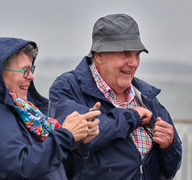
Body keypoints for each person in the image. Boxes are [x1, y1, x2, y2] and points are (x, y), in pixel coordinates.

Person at [48, 14, 182, 180]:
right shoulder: (68, 87)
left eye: (137, 54)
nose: (134, 63)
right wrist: (132, 116)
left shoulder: (146, 96)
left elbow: (169, 170)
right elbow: (84, 137)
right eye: (125, 54)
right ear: (98, 55)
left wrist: (169, 146)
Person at [0, 37, 101, 180]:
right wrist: (66, 135)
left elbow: (60, 170)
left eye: (31, 69)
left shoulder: (28, 113)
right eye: (25, 70)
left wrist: (79, 143)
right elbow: (19, 168)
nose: (31, 76)